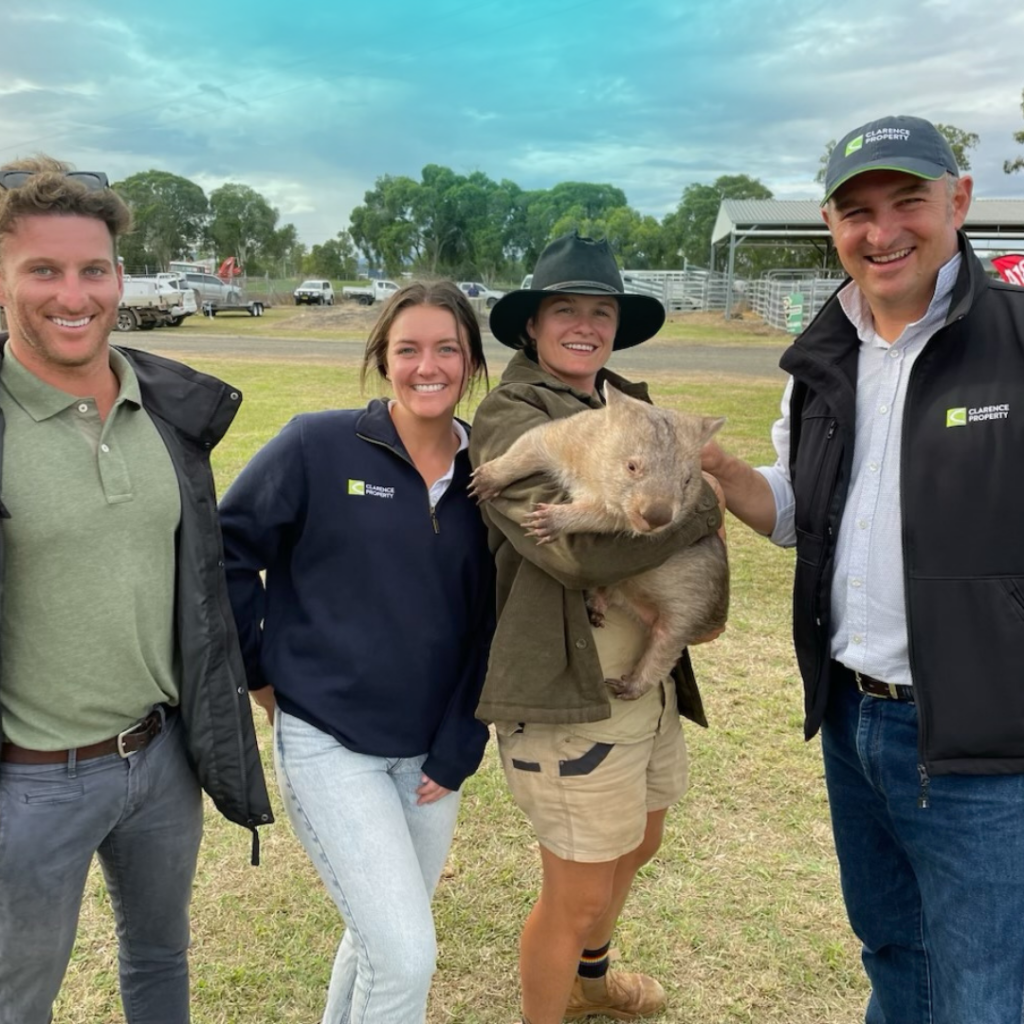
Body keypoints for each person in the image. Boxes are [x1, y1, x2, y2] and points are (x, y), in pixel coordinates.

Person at [702, 114, 1024, 1023]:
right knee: (892, 952)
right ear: (830, 225)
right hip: (853, 719)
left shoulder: (1015, 340)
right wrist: (719, 471)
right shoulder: (822, 357)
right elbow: (802, 513)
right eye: (856, 212)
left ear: (959, 201)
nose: (881, 233)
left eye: (907, 202)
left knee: (985, 994)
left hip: (985, 743)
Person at [0, 157, 273, 1024]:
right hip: (29, 784)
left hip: (159, 760)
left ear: (120, 278)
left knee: (160, 958)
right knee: (16, 998)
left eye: (94, 269)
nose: (72, 294)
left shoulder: (165, 410)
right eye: (42, 269)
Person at [218, 279, 493, 1024]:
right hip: (328, 742)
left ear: (471, 363)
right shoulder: (318, 444)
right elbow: (226, 551)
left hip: (432, 757)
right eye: (408, 349)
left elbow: (496, 619)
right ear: (382, 360)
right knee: (403, 956)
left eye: (447, 349)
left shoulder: (492, 473)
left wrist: (461, 741)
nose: (427, 366)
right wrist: (259, 673)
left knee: (383, 941)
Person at [470, 232, 723, 1024]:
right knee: (577, 889)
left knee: (639, 842)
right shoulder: (513, 415)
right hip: (567, 686)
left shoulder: (628, 409)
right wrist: (699, 511)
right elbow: (574, 552)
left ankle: (591, 982)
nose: (585, 326)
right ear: (532, 325)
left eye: (601, 313)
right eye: (565, 311)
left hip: (636, 679)